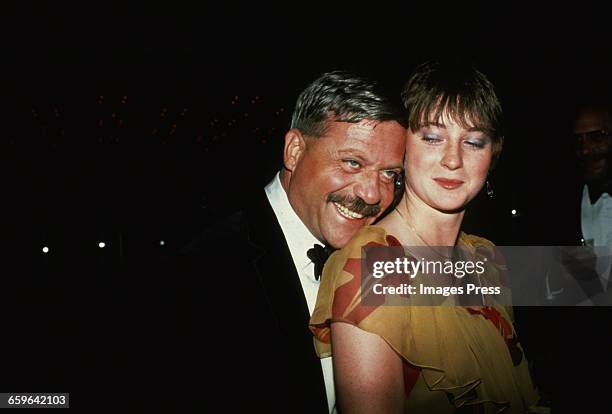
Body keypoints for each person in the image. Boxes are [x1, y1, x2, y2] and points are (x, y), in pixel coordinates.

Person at [150, 71, 407, 412]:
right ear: (294, 151)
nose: (372, 193)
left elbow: (490, 278)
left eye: (390, 173)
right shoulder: (200, 276)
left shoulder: (382, 256)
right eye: (351, 162)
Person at [310, 61, 539, 413]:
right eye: (432, 137)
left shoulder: (486, 257)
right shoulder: (373, 266)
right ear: (404, 146)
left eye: (474, 142)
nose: (452, 159)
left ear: (493, 155)